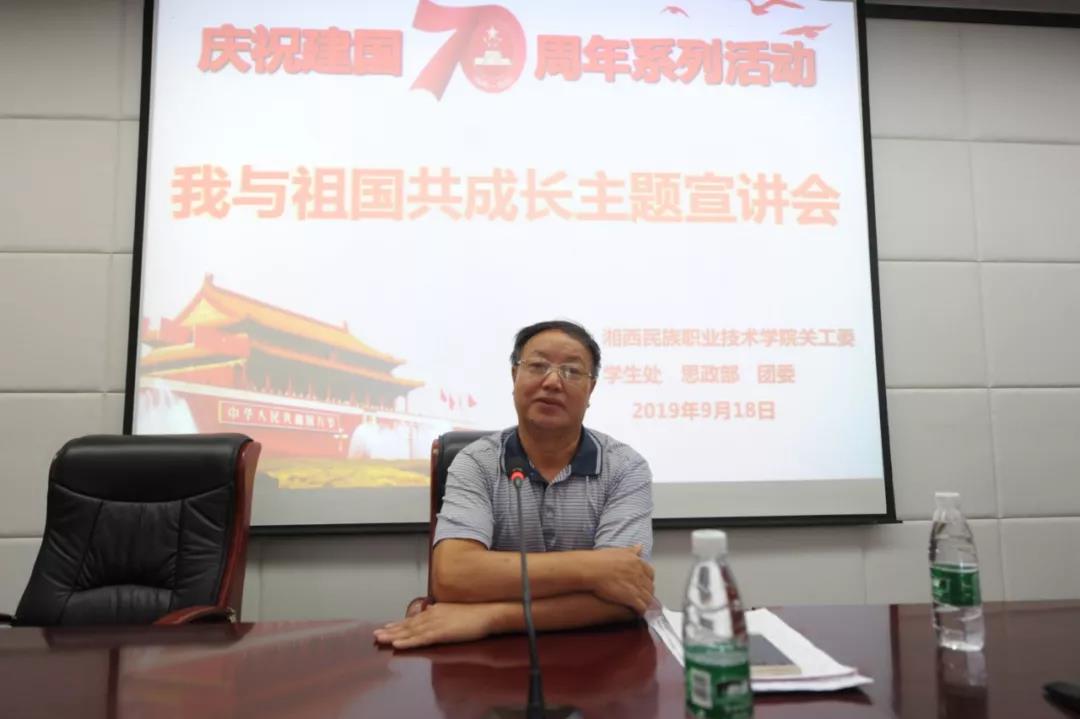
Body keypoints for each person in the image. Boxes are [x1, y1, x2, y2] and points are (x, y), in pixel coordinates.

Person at [374, 320, 655, 649]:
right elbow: (452, 576)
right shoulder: (476, 462)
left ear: (591, 390)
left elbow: (627, 595)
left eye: (571, 371)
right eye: (537, 366)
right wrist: (594, 568)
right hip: (489, 659)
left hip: (597, 656)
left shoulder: (625, 467)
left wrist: (490, 616)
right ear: (514, 376)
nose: (552, 382)